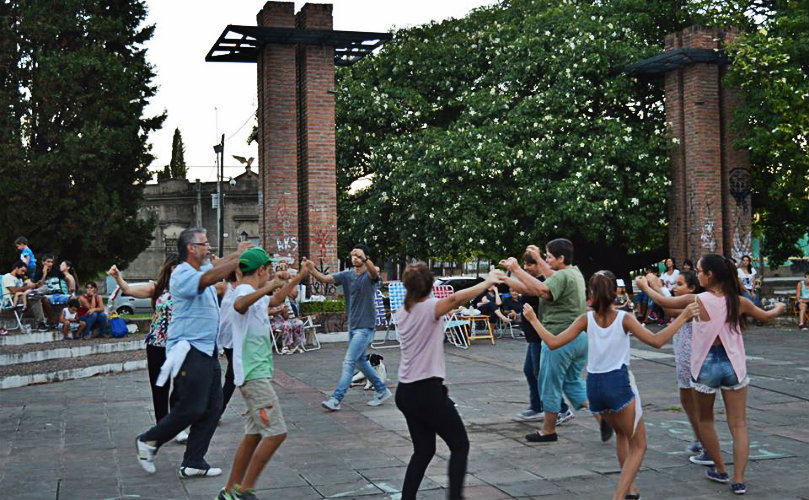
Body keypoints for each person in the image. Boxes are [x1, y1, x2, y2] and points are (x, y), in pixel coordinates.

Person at [523, 271, 699, 500]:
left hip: (594, 386)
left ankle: (631, 490)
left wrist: (534, 319)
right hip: (618, 383)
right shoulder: (623, 318)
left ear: (591, 294)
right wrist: (683, 316)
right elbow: (656, 341)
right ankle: (619, 495)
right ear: (615, 293)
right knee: (639, 445)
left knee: (621, 436)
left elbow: (553, 342)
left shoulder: (585, 318)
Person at [636, 254, 786, 495]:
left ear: (710, 275)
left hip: (705, 363)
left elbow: (664, 304)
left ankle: (719, 468)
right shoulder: (738, 301)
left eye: (699, 271)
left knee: (706, 420)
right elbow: (766, 316)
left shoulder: (697, 299)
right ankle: (738, 479)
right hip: (733, 364)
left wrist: (645, 286)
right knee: (738, 424)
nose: (698, 275)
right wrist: (779, 307)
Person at [135, 228, 251, 477]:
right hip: (189, 349)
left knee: (213, 405)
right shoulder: (182, 274)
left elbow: (218, 271)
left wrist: (236, 257)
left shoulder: (201, 270)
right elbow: (208, 279)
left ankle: (193, 461)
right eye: (204, 243)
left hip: (207, 349)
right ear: (191, 248)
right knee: (193, 406)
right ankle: (148, 440)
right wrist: (237, 256)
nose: (209, 247)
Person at [395, 263, 506, 500]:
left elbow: (451, 301)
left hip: (406, 392)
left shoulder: (402, 311)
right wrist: (487, 282)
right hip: (427, 391)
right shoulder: (430, 307)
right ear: (430, 286)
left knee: (424, 450)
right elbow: (455, 299)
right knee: (460, 445)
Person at [217, 247, 307, 500]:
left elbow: (277, 300)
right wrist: (271, 286)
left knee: (254, 434)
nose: (271, 275)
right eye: (269, 270)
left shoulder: (253, 292)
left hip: (255, 372)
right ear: (261, 270)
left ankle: (228, 491)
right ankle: (244, 491)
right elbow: (240, 304)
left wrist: (299, 276)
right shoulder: (244, 291)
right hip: (253, 374)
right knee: (276, 432)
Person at [502, 239, 606, 442]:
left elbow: (540, 290)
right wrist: (539, 258)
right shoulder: (573, 273)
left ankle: (548, 430)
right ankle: (604, 419)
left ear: (561, 258)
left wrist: (514, 269)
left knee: (549, 384)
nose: (545, 260)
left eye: (549, 256)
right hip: (579, 339)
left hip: (559, 338)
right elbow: (550, 278)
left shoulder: (563, 276)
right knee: (572, 383)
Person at [303, 244, 392, 410]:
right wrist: (311, 268)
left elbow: (374, 273)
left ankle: (336, 399)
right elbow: (325, 279)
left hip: (365, 327)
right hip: (353, 326)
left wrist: (366, 259)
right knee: (361, 362)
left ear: (366, 258)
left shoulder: (369, 275)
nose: (354, 258)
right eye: (353, 255)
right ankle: (381, 390)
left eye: (358, 256)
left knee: (349, 361)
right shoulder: (347, 275)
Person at [109, 255, 179, 426]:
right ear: (169, 268)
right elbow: (129, 289)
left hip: (179, 344)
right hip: (157, 344)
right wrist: (118, 277)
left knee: (181, 386)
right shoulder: (157, 288)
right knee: (159, 386)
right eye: (176, 266)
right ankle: (162, 424)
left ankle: (176, 422)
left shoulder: (190, 290)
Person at [644, 269, 706, 459]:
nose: (675, 288)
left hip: (692, 357)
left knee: (694, 401)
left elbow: (668, 308)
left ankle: (706, 443)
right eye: (675, 284)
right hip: (683, 357)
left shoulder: (696, 302)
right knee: (687, 400)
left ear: (692, 288)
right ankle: (700, 439)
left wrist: (651, 286)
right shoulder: (688, 303)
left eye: (680, 285)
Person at [502, 251, 570, 423]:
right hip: (533, 336)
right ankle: (536, 407)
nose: (526, 268)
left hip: (542, 335)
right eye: (524, 264)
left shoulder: (544, 282)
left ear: (538, 265)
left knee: (542, 374)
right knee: (531, 371)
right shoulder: (531, 279)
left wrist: (508, 276)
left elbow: (528, 290)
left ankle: (562, 409)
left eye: (529, 264)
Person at [217, 270, 241, 420]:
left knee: (232, 375)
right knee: (233, 375)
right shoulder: (226, 286)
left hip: (238, 337)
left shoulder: (247, 287)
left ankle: (218, 410)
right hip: (224, 335)